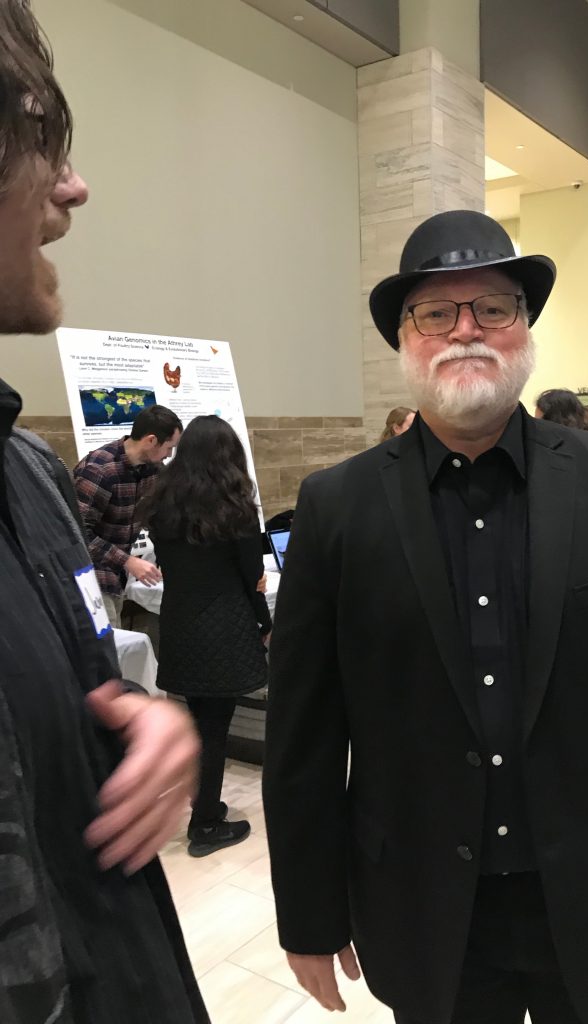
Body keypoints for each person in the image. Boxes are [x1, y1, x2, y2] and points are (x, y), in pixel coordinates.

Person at [263, 210, 588, 1024]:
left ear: (526, 325)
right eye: (435, 312)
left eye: (493, 307)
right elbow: (304, 738)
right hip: (426, 914)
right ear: (403, 337)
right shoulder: (336, 508)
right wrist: (308, 915)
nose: (465, 330)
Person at [0, 2, 206, 1020]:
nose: (73, 188)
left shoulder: (27, 471)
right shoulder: (82, 471)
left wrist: (136, 720)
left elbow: (73, 686)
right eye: (41, 141)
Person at [141, 415, 272, 857]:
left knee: (198, 723)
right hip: (224, 626)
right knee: (214, 728)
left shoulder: (163, 502)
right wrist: (265, 623)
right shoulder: (235, 508)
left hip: (180, 623)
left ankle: (205, 805)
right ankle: (206, 825)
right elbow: (251, 576)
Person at [74, 404, 183, 629]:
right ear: (151, 440)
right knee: (110, 643)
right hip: (91, 578)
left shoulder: (152, 469)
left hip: (117, 576)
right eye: (169, 447)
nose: (169, 455)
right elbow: (77, 533)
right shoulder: (99, 470)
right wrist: (128, 561)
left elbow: (160, 515)